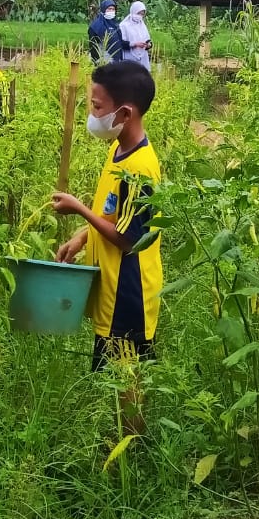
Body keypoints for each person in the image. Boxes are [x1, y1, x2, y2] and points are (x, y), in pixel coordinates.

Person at [51, 61, 162, 386]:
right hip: (111, 287)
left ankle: (132, 437)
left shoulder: (139, 169)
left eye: (97, 106)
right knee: (114, 375)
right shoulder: (119, 149)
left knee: (128, 380)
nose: (92, 112)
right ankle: (118, 437)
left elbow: (130, 239)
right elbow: (114, 213)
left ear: (125, 114)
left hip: (129, 291)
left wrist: (80, 210)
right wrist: (83, 238)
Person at [117, 1, 153, 71]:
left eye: (142, 14)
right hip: (129, 58)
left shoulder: (142, 25)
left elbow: (148, 40)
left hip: (143, 59)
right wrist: (135, 44)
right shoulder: (124, 26)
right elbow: (120, 43)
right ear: (133, 11)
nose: (139, 16)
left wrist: (148, 45)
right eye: (138, 13)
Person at [87, 0, 123, 65]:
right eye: (109, 9)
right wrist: (96, 61)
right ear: (103, 9)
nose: (111, 11)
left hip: (116, 60)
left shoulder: (115, 25)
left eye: (113, 9)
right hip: (103, 60)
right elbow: (93, 46)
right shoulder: (95, 26)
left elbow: (120, 42)